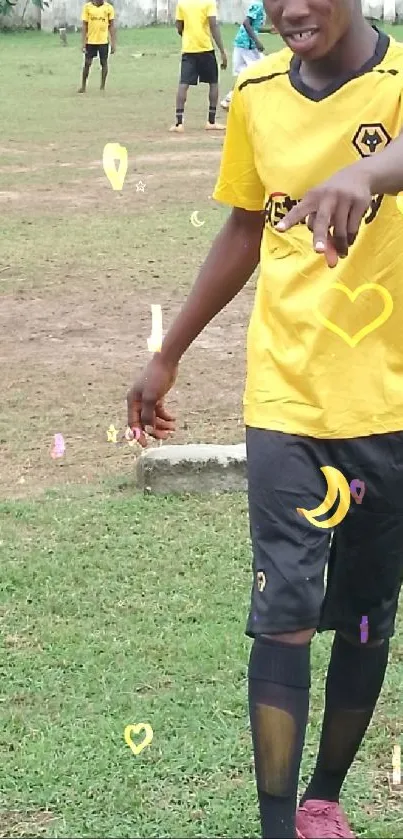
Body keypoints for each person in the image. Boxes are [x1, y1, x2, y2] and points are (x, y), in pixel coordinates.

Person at [127, 0, 403, 835]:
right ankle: (278, 826)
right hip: (285, 396)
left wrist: (369, 173)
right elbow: (245, 226)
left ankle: (324, 797)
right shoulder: (254, 92)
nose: (289, 9)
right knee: (282, 615)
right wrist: (168, 350)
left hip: (388, 403)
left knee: (362, 616)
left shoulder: (396, 82)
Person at [169, 0, 228, 133]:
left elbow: (179, 26)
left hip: (189, 49)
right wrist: (222, 51)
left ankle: (179, 123)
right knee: (213, 83)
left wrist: (187, 36)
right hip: (206, 48)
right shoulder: (209, 2)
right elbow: (213, 25)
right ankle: (211, 121)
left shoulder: (182, 3)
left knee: (183, 84)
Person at [220, 1, 266, 111]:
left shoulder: (261, 6)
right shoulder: (259, 5)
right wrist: (257, 41)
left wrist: (269, 30)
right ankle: (256, 100)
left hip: (242, 43)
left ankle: (229, 99)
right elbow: (246, 23)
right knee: (261, 70)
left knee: (244, 73)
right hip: (247, 45)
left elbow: (254, 26)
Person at [78, 0, 115, 94]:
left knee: (104, 63)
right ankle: (83, 86)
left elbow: (111, 26)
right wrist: (83, 43)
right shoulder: (87, 7)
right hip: (90, 41)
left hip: (103, 41)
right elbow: (84, 26)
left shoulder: (109, 8)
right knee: (87, 63)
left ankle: (102, 86)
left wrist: (113, 43)